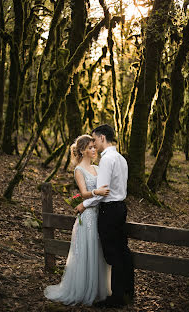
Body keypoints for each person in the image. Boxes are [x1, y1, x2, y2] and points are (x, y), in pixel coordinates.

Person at [44, 134, 111, 306]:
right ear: (82, 150)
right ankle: (82, 289)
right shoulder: (79, 170)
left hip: (100, 214)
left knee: (98, 251)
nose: (94, 150)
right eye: (90, 147)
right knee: (86, 251)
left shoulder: (97, 168)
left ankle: (97, 288)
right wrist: (97, 192)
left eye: (94, 147)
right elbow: (83, 193)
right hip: (88, 216)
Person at [76, 124, 134, 309]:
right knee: (123, 250)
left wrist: (83, 204)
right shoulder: (121, 158)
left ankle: (116, 297)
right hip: (120, 208)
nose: (94, 143)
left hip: (109, 210)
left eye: (95, 139)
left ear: (102, 138)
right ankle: (127, 291)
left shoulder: (107, 160)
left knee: (113, 254)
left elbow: (102, 192)